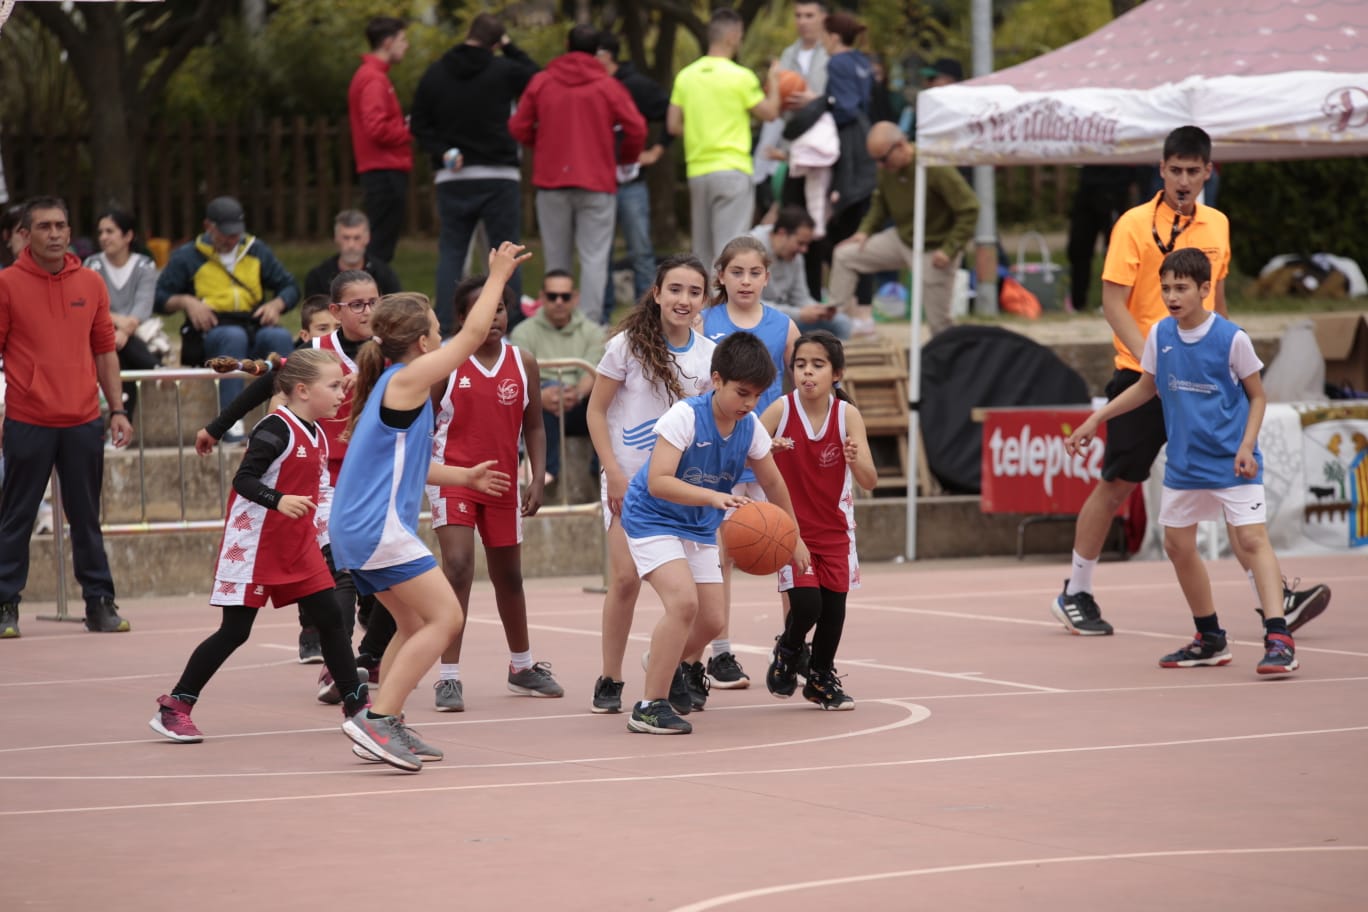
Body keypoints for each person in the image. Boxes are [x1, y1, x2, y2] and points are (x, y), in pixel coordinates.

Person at [1050, 125, 1330, 637]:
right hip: (1144, 374)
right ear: (1161, 170)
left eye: (1192, 171)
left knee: (1230, 486)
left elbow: (1216, 298)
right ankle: (1076, 590)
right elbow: (1113, 303)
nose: (1182, 179)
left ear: (1207, 172)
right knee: (1116, 483)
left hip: (1206, 380)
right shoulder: (1133, 225)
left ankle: (1274, 599)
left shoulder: (1217, 224)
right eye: (1174, 169)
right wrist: (1158, 362)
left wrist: (1227, 353)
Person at [332, 243, 527, 772]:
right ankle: (378, 721)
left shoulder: (398, 388)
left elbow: (408, 464)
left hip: (362, 528)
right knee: (447, 617)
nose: (444, 334)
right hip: (376, 529)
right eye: (437, 328)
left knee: (415, 624)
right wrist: (497, 277)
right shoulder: (407, 379)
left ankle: (380, 717)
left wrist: (462, 475)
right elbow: (470, 338)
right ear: (422, 341)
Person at [1065, 248, 1299, 675]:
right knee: (1177, 545)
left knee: (1251, 542)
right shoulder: (1159, 335)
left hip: (1232, 461)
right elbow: (1145, 388)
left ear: (1205, 290)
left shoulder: (1232, 338)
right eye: (1167, 288)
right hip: (1184, 465)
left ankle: (1279, 636)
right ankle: (1210, 636)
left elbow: (1258, 396)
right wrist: (1096, 418)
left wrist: (1247, 446)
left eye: (1182, 288)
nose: (1172, 296)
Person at [148, 349, 375, 744]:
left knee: (331, 618)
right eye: (334, 386)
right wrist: (279, 500)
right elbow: (245, 480)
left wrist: (330, 539)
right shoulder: (275, 428)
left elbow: (321, 492)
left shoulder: (318, 432)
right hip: (254, 545)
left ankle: (358, 708)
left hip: (296, 544)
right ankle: (175, 706)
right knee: (235, 632)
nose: (343, 393)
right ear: (302, 390)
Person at [196, 271, 396, 683]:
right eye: (357, 304)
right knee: (338, 575)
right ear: (337, 312)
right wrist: (217, 427)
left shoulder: (392, 351)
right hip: (324, 477)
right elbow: (266, 383)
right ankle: (339, 670)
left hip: (374, 474)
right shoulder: (316, 352)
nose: (368, 311)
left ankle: (366, 657)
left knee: (384, 577)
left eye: (375, 301)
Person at [621, 332, 808, 734]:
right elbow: (658, 481)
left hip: (698, 525)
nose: (748, 403)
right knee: (683, 604)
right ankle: (649, 706)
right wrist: (713, 498)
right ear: (717, 379)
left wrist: (793, 537)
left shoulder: (751, 426)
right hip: (652, 517)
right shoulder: (685, 417)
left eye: (757, 395)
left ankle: (661, 658)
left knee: (710, 621)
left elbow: (774, 485)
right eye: (742, 392)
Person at [586, 254, 717, 713]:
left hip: (680, 488)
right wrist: (614, 473)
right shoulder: (625, 347)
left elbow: (708, 426)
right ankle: (610, 677)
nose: (684, 299)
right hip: (629, 480)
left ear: (705, 299)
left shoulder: (707, 356)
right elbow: (596, 411)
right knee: (624, 580)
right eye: (675, 289)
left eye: (694, 292)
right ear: (657, 293)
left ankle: (670, 664)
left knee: (696, 602)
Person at [0, 197, 133, 639]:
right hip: (27, 419)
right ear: (26, 234)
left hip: (81, 420)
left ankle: (99, 603)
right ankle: (5, 606)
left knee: (86, 517)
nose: (55, 234)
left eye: (61, 225)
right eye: (44, 227)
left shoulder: (92, 283)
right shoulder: (6, 284)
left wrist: (116, 409)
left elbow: (105, 351)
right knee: (16, 516)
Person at [428, 274, 561, 712]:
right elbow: (422, 429)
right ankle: (448, 676)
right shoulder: (445, 363)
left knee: (510, 576)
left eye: (502, 308)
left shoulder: (523, 361)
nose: (496, 317)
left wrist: (537, 475)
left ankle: (521, 666)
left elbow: (536, 426)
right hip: (454, 480)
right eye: (486, 310)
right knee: (460, 567)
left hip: (503, 481)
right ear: (464, 319)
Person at [697, 235, 799, 691]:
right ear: (720, 275)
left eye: (754, 273)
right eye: (736, 272)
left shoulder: (784, 327)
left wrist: (788, 437)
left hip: (769, 455)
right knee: (721, 557)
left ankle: (793, 648)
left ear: (767, 277)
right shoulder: (705, 321)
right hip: (720, 456)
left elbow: (804, 391)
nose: (745, 280)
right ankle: (720, 654)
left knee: (785, 546)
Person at [760, 330, 877, 709]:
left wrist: (854, 456)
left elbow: (870, 481)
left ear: (836, 373)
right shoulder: (780, 410)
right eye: (800, 365)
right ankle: (788, 648)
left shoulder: (848, 416)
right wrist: (765, 449)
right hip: (791, 530)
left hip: (836, 529)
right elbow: (743, 451)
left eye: (817, 365)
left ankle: (820, 678)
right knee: (808, 606)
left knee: (834, 611)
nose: (807, 373)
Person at [509, 24, 646, 326]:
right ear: (597, 50)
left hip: (551, 180)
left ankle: (554, 323)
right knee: (595, 258)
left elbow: (518, 126)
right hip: (597, 180)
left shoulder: (542, 81)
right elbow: (636, 127)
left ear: (566, 44)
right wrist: (623, 158)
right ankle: (592, 325)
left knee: (556, 256)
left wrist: (542, 146)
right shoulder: (607, 85)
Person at [411, 12, 539, 333]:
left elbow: (419, 123)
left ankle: (445, 324)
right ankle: (511, 322)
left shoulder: (436, 73)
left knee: (452, 251)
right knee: (506, 251)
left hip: (453, 176)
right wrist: (510, 49)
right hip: (499, 174)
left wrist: (442, 151)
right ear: (496, 42)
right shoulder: (504, 69)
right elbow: (538, 78)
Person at [154, 196, 299, 425]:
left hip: (254, 324)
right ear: (208, 227)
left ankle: (292, 414)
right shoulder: (187, 256)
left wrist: (276, 304)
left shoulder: (256, 250)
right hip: (215, 330)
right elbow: (159, 298)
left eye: (236, 233)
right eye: (226, 233)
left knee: (279, 337)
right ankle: (232, 422)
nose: (233, 239)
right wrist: (187, 302)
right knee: (233, 338)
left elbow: (290, 287)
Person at [829, 122, 978, 337]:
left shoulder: (935, 166)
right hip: (902, 239)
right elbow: (880, 203)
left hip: (935, 248)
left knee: (940, 323)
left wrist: (950, 248)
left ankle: (948, 361)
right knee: (845, 255)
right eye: (875, 160)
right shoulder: (888, 170)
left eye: (883, 158)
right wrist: (865, 231)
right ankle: (833, 324)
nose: (880, 165)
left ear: (900, 145)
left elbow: (970, 208)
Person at [669, 8, 783, 271]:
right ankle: (726, 311)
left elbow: (673, 125)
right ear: (733, 36)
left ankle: (704, 310)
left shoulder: (686, 76)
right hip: (732, 169)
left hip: (698, 170)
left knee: (703, 250)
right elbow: (770, 113)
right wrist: (775, 81)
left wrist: (702, 131)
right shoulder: (740, 77)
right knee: (730, 249)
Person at [595, 30, 671, 308]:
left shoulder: (636, 86)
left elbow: (671, 112)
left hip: (631, 182)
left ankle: (649, 313)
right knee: (597, 253)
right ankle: (602, 313)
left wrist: (657, 150)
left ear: (606, 55)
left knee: (640, 251)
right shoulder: (588, 86)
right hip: (597, 182)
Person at [509, 270, 605, 487]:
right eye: (552, 296)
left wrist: (577, 393)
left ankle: (602, 467)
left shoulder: (593, 332)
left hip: (580, 403)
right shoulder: (523, 332)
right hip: (538, 403)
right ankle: (543, 468)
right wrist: (541, 395)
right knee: (544, 393)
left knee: (609, 397)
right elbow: (520, 374)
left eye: (565, 296)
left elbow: (593, 371)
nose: (559, 302)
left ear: (575, 297)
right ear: (542, 297)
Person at [83, 210, 162, 420]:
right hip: (108, 333)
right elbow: (90, 307)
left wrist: (125, 332)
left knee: (119, 357)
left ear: (128, 236)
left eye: (110, 231)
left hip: (134, 334)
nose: (103, 237)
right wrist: (120, 325)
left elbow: (143, 307)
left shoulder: (145, 265)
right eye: (101, 232)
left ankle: (119, 425)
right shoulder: (92, 266)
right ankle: (153, 366)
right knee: (116, 351)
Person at [347, 16, 412, 266]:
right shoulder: (374, 79)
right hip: (384, 169)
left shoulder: (372, 76)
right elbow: (377, 128)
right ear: (387, 42)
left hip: (381, 168)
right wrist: (408, 129)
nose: (406, 46)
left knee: (380, 243)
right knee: (380, 247)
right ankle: (370, 298)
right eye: (402, 40)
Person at [750, 205, 851, 338]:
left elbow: (801, 298)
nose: (804, 250)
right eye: (800, 243)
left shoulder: (796, 257)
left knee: (841, 322)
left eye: (806, 244)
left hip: (785, 319)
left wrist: (819, 310)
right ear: (782, 233)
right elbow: (750, 306)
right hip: (754, 323)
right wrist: (799, 314)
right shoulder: (749, 250)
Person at [1066, 166, 1138, 311]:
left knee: (1114, 249)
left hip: (1115, 185)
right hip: (1087, 185)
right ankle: (1077, 302)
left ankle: (1114, 301)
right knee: (1079, 246)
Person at [303, 210, 402, 299]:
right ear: (336, 238)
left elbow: (395, 311)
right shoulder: (318, 277)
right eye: (346, 238)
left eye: (357, 238)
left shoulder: (384, 275)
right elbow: (313, 314)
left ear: (367, 238)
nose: (351, 245)